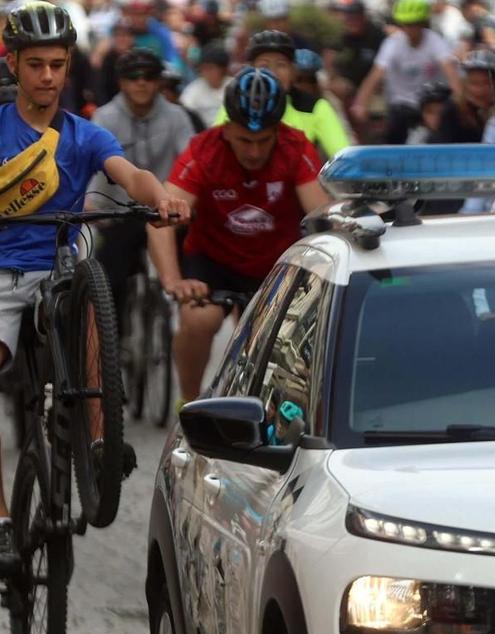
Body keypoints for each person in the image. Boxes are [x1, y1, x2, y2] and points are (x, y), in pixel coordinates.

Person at [0, 4, 187, 578]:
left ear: (69, 67)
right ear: (14, 65)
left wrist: (162, 195)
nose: (47, 76)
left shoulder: (85, 133)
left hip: (62, 265)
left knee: (92, 301)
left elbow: (131, 174)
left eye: (58, 65)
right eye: (36, 65)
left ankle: (98, 440)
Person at [149, 68, 326, 403]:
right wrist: (173, 281)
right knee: (199, 318)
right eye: (245, 139)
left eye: (264, 141)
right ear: (227, 128)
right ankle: (188, 402)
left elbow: (320, 218)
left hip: (276, 263)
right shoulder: (204, 150)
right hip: (213, 260)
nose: (255, 152)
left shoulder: (295, 146)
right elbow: (160, 220)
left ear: (278, 131)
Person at [87, 48, 196, 309]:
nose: (141, 83)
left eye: (149, 76)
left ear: (159, 81)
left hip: (168, 213)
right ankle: (112, 344)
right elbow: (93, 165)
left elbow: (192, 163)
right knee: (107, 286)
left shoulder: (177, 116)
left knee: (193, 275)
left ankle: (182, 327)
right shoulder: (104, 117)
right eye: (133, 77)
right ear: (120, 82)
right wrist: (91, 204)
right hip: (119, 213)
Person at [220, 30, 351, 161]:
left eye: (281, 65)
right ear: (250, 70)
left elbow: (344, 158)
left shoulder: (315, 106)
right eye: (264, 65)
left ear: (293, 71)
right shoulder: (235, 104)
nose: (273, 73)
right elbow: (212, 150)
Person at [351, 0, 459, 144]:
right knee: (393, 135)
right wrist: (360, 104)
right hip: (402, 104)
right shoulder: (392, 44)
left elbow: (451, 73)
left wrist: (460, 101)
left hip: (431, 102)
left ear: (423, 23)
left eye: (415, 24)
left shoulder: (436, 42)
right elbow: (375, 75)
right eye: (406, 24)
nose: (410, 29)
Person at [179, 45, 227, 122]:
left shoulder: (234, 86)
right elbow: (184, 113)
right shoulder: (193, 90)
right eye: (203, 68)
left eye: (210, 68)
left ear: (223, 69)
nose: (206, 72)